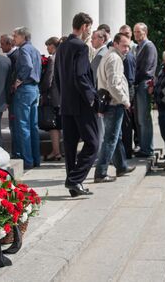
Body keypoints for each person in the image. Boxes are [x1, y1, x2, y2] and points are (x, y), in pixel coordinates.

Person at [55, 12, 99, 197]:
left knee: (71, 145)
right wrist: (91, 98)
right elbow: (81, 75)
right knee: (93, 143)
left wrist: (62, 97)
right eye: (89, 27)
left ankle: (75, 185)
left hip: (66, 103)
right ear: (85, 27)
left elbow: (57, 77)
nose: (89, 31)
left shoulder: (62, 46)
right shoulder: (80, 47)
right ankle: (74, 180)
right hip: (81, 103)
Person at [94, 33, 136, 182]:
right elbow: (114, 85)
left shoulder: (109, 55)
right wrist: (125, 101)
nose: (127, 49)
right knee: (111, 139)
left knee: (115, 137)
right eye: (124, 46)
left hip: (110, 103)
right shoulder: (115, 58)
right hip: (114, 103)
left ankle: (121, 166)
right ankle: (101, 172)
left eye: (128, 46)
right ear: (116, 44)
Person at [12, 27, 42, 170]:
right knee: (33, 126)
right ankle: (36, 159)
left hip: (25, 89)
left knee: (23, 126)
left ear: (23, 37)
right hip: (34, 89)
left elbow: (27, 66)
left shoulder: (23, 50)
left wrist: (19, 79)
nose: (13, 38)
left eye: (15, 36)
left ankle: (28, 160)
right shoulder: (35, 50)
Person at [133, 22, 158, 157]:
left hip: (143, 83)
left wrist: (132, 79)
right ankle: (143, 146)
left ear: (145, 32)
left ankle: (147, 148)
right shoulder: (139, 47)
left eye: (139, 32)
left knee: (144, 118)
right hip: (139, 84)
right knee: (139, 118)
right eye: (135, 32)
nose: (136, 34)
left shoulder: (149, 47)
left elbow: (145, 69)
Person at [40, 37, 62, 161]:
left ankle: (56, 151)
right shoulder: (63, 57)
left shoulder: (53, 59)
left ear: (53, 46)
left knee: (53, 126)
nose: (47, 48)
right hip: (61, 96)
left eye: (48, 46)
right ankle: (57, 150)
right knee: (58, 125)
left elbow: (49, 79)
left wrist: (42, 88)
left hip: (53, 96)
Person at [118, 25, 137, 159]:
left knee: (126, 125)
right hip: (125, 92)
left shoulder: (128, 57)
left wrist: (128, 99)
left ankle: (126, 152)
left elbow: (129, 79)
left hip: (127, 92)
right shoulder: (124, 56)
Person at [0, 34, 19, 157]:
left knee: (16, 126)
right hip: (14, 97)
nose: (0, 46)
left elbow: (10, 81)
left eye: (2, 44)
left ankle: (16, 152)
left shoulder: (14, 57)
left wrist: (7, 99)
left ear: (9, 44)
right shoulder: (12, 57)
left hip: (15, 98)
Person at [0, 54, 12, 146]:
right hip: (1, 99)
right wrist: (8, 100)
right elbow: (8, 83)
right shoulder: (6, 61)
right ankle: (0, 145)